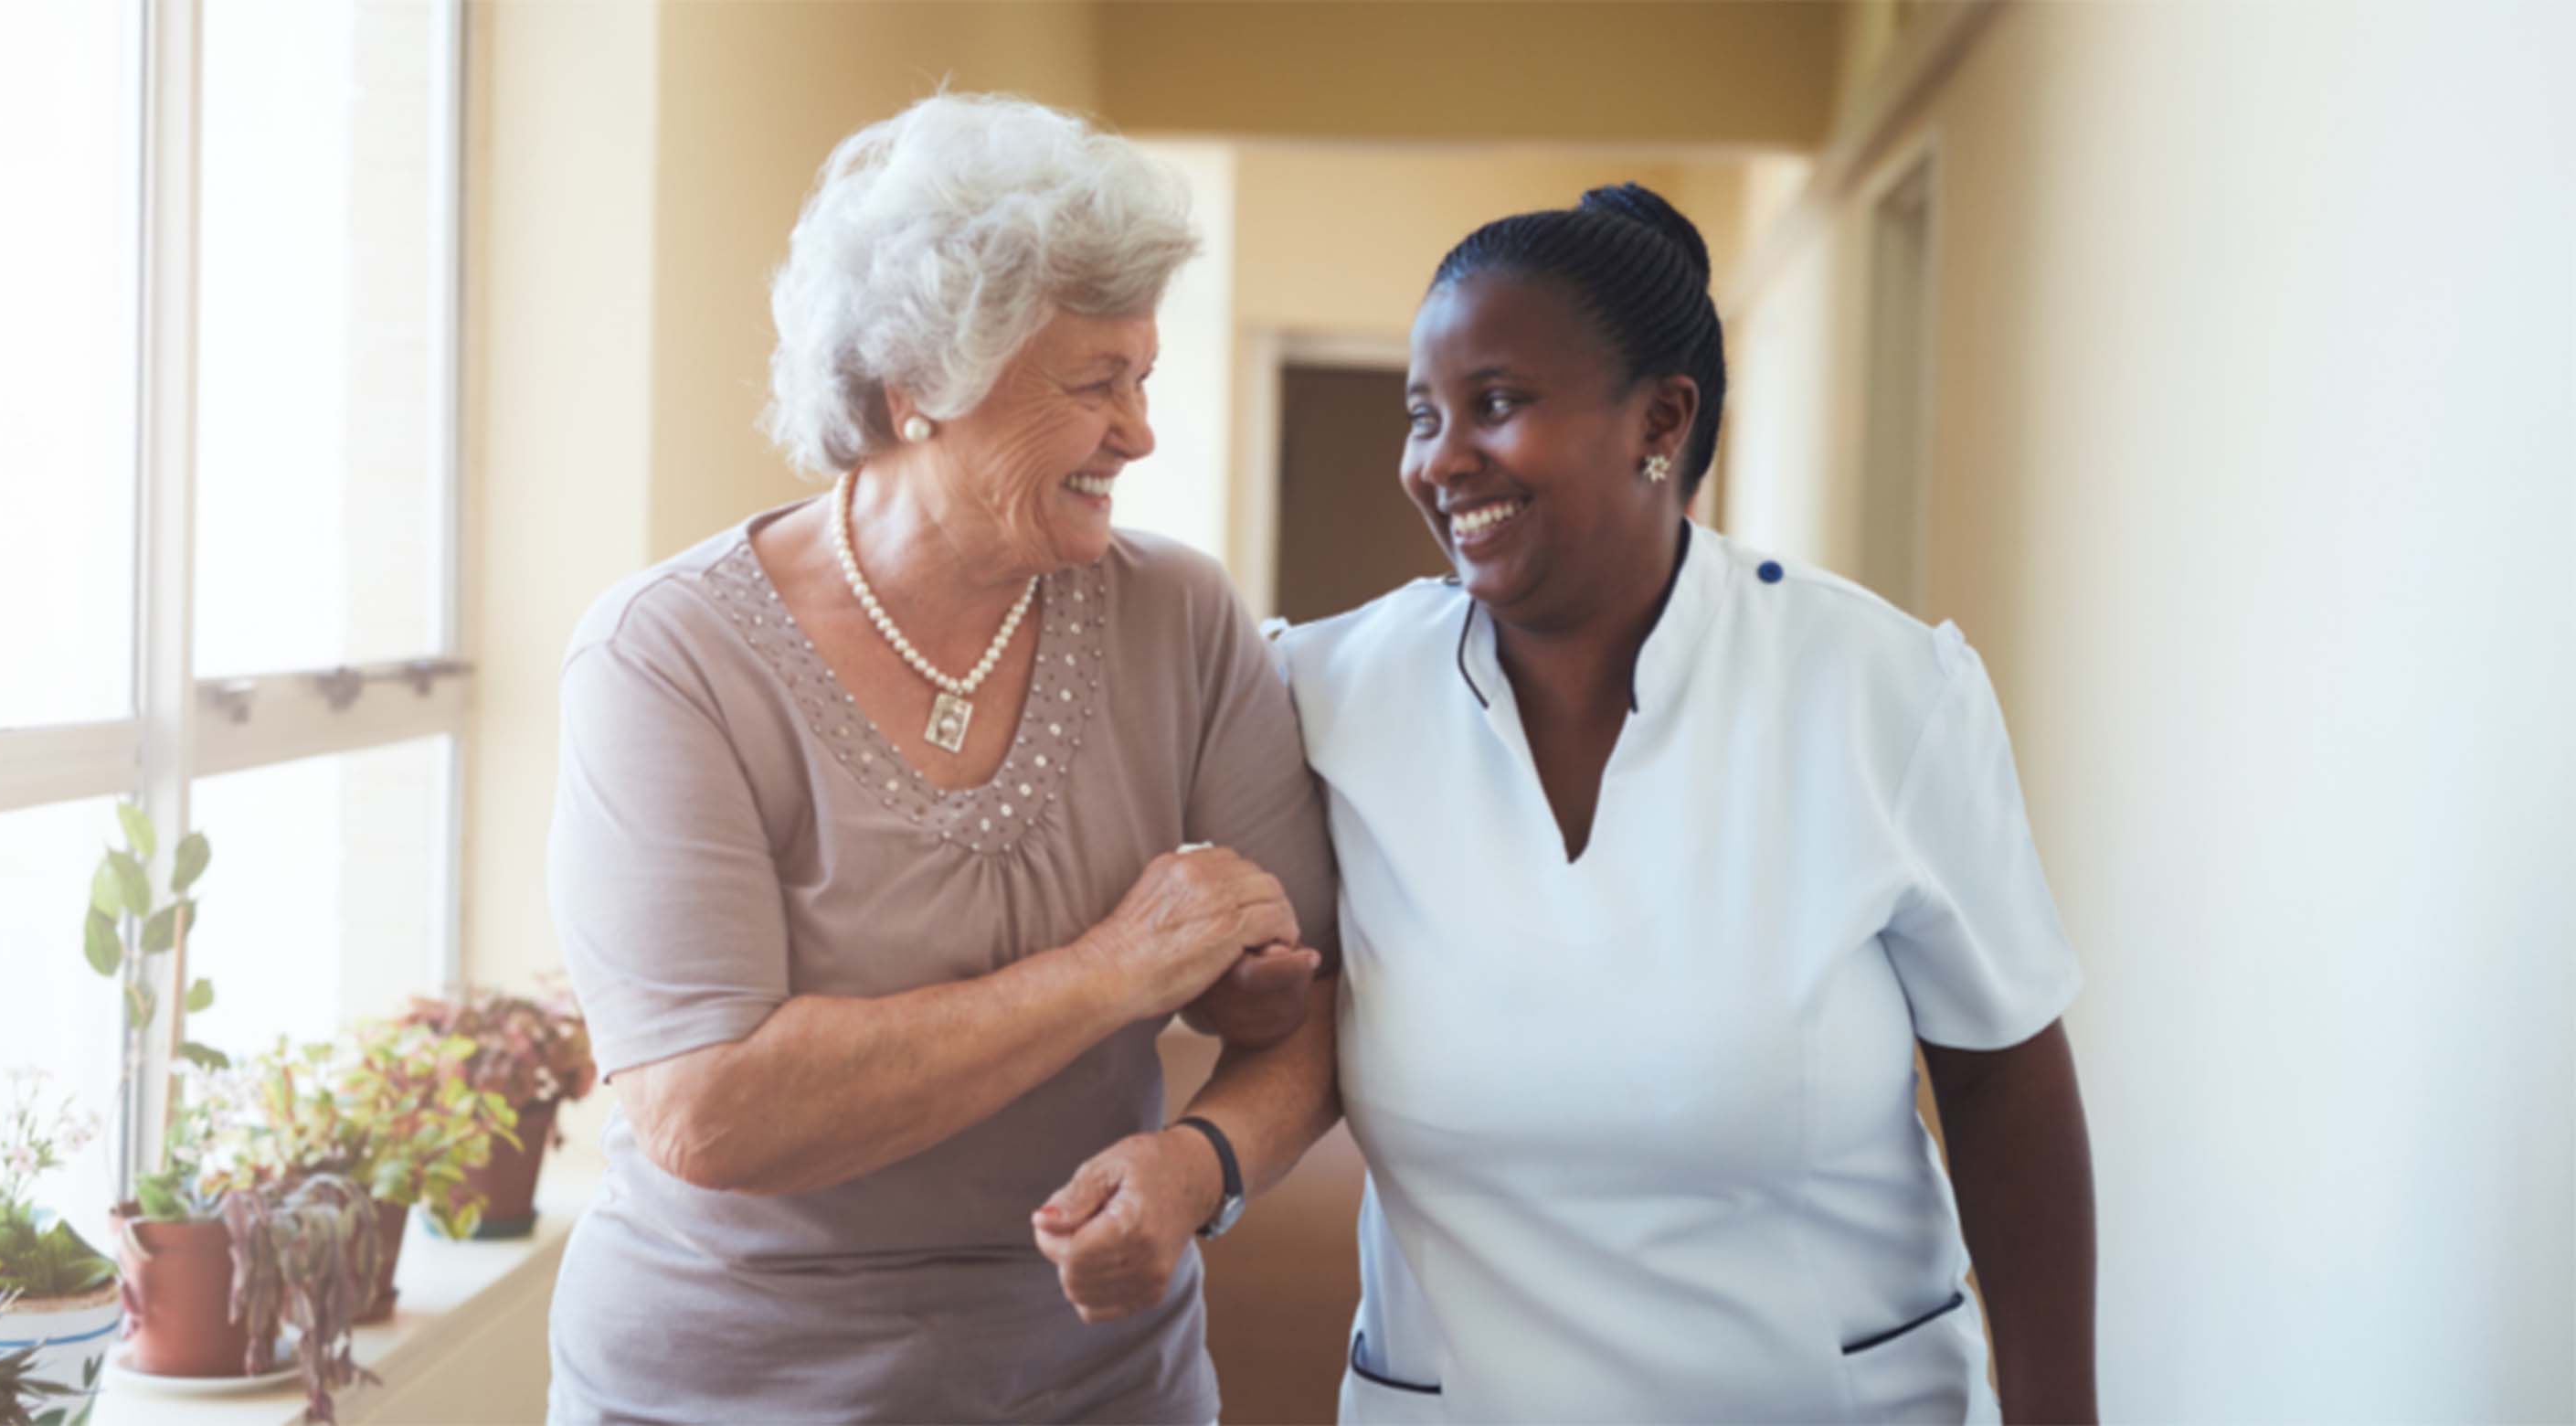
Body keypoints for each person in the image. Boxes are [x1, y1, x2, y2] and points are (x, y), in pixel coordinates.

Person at [1036, 184, 2098, 1422]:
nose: (1439, 460)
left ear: (1662, 418)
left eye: (1496, 405)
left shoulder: (1879, 690)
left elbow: (2005, 1079)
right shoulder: (1324, 693)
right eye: (1422, 415)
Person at [544, 92, 1336, 1423]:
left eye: (1143, 376)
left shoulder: (1178, 618)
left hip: (1099, 1383)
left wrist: (1202, 1161)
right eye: (1095, 382)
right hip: (728, 1388)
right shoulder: (665, 657)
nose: (1138, 431)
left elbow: (1311, 1011)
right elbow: (710, 1112)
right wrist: (1116, 970)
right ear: (919, 387)